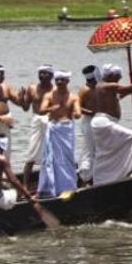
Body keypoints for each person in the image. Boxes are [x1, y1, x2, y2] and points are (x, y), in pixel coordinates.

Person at [38, 70, 81, 198]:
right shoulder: (49, 95)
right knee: (50, 159)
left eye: (62, 80)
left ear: (67, 81)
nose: (59, 82)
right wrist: (52, 108)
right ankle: (47, 189)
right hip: (53, 128)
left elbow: (78, 112)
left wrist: (77, 113)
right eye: (57, 80)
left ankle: (67, 188)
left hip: (66, 130)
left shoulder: (73, 97)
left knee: (65, 160)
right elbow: (41, 110)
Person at [21, 64, 55, 190]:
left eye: (46, 73)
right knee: (31, 154)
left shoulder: (55, 90)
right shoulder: (32, 88)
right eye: (41, 73)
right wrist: (21, 99)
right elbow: (25, 108)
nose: (42, 75)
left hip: (51, 122)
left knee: (50, 154)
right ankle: (24, 185)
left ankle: (49, 183)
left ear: (51, 75)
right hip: (36, 122)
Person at [76, 65, 101, 185]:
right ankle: (83, 176)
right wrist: (90, 112)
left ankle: (94, 176)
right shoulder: (84, 90)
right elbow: (77, 107)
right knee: (89, 150)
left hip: (100, 121)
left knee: (98, 150)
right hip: (88, 122)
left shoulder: (100, 88)